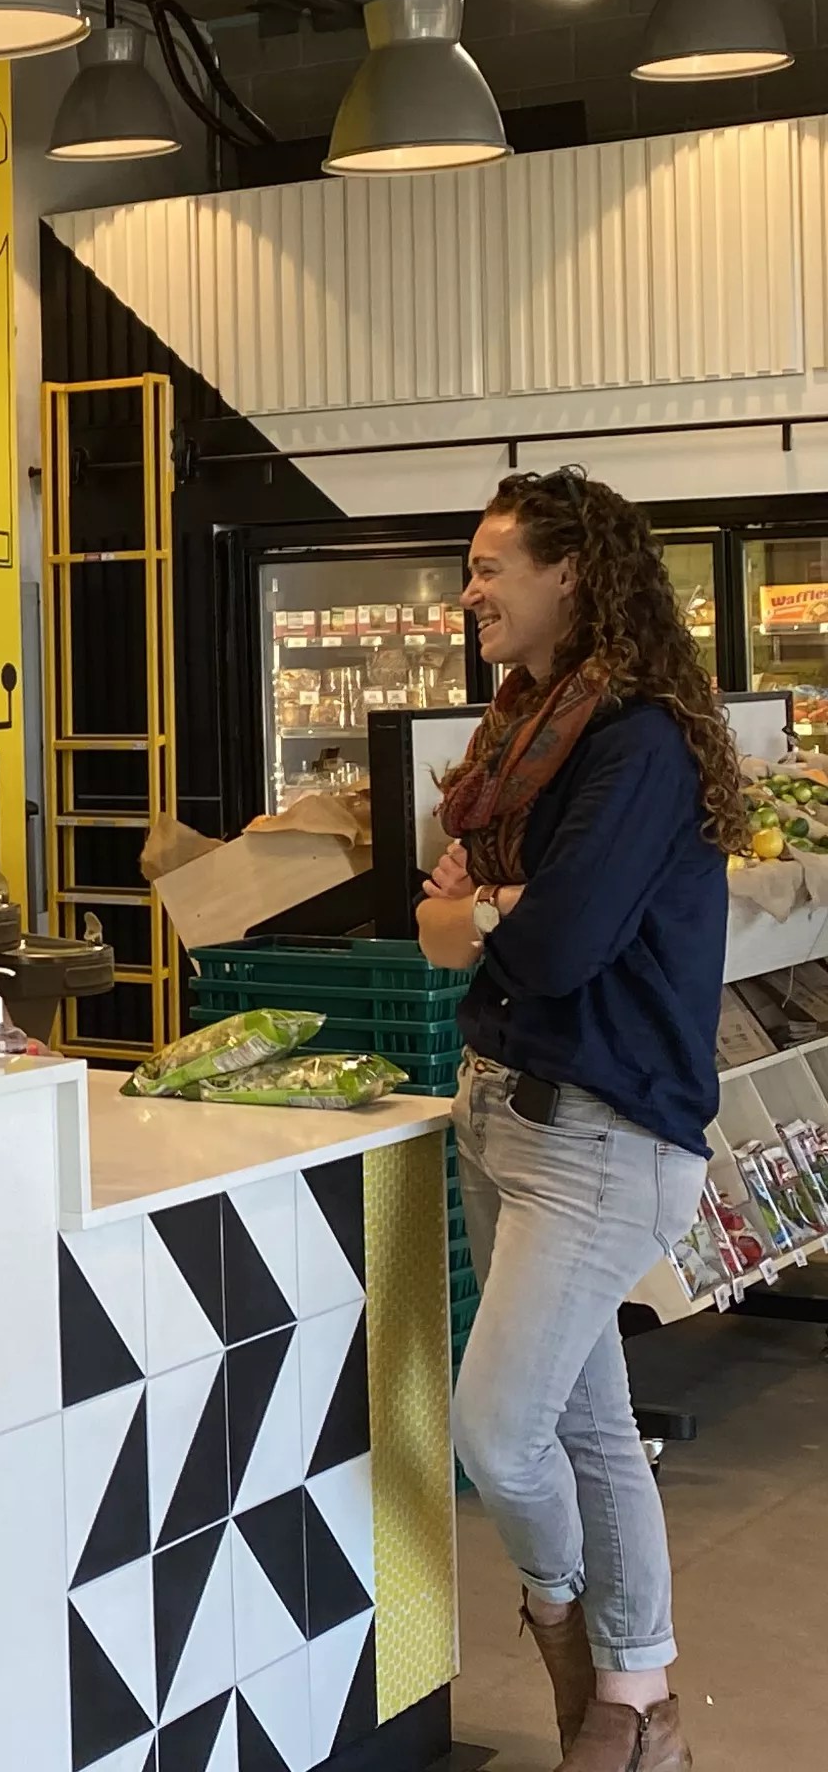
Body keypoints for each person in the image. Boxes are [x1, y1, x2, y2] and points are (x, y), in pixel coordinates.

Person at [415, 469, 740, 1772]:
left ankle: (561, 1621)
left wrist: (480, 914)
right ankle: (636, 1702)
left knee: (497, 1433)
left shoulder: (636, 743)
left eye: (492, 567)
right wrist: (487, 909)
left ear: (571, 576)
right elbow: (451, 911)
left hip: (603, 1133)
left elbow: (552, 945)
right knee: (593, 1429)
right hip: (506, 1108)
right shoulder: (522, 734)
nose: (471, 593)